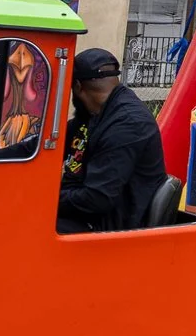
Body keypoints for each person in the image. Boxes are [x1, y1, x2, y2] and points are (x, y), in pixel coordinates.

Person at [58, 48, 168, 234]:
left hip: (111, 228)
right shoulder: (94, 115)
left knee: (26, 227)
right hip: (88, 217)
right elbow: (52, 142)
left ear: (77, 87)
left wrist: (45, 199)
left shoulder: (127, 124)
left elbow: (97, 198)